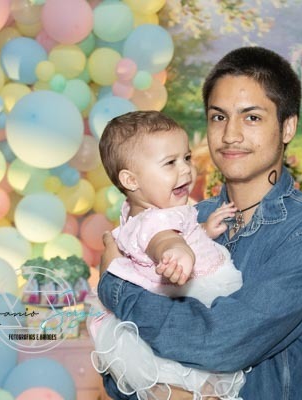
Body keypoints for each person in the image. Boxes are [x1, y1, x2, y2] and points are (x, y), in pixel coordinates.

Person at [98, 46, 302, 399]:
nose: (230, 135)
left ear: (287, 126)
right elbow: (118, 370)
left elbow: (221, 342)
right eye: (218, 117)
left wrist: (115, 286)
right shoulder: (188, 219)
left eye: (252, 117)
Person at [90, 110, 246, 399]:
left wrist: (203, 231)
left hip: (167, 296)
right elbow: (163, 240)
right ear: (131, 180)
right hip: (197, 291)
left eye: (186, 158)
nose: (185, 170)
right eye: (170, 163)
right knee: (196, 381)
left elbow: (174, 232)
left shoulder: (145, 210)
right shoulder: (155, 221)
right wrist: (177, 254)